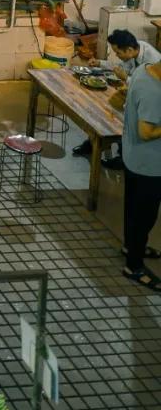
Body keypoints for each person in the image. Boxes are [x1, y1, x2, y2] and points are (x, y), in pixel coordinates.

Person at [74, 30, 161, 168]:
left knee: (126, 120)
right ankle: (93, 143)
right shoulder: (136, 49)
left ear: (130, 50)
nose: (117, 55)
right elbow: (120, 67)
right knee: (106, 109)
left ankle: (123, 157)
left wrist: (126, 78)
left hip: (152, 100)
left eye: (118, 53)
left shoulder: (152, 59)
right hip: (137, 93)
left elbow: (149, 87)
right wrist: (100, 63)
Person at [120, 52, 161, 291]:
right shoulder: (154, 92)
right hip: (149, 166)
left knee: (132, 209)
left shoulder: (142, 70)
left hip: (132, 157)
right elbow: (146, 132)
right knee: (144, 217)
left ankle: (130, 246)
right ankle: (133, 266)